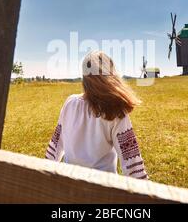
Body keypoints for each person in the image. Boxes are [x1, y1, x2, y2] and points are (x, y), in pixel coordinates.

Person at [45, 51, 148, 180]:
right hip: (103, 190)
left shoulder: (70, 103)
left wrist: (44, 176)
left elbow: (55, 146)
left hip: (69, 186)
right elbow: (132, 165)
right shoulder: (115, 110)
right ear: (111, 75)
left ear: (84, 77)